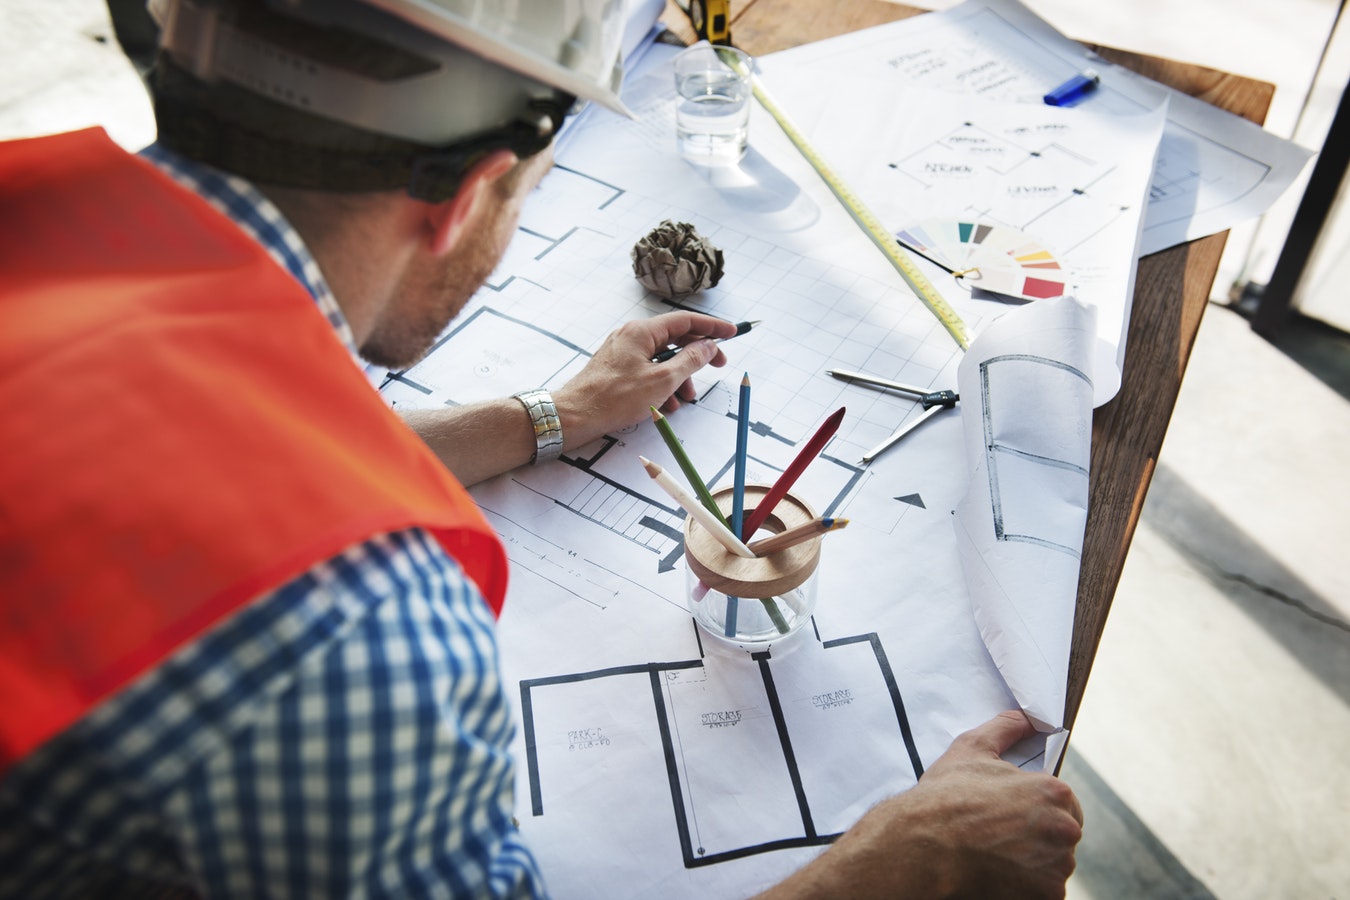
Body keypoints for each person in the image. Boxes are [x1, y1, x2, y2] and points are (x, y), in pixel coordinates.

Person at [0, 0, 1082, 896]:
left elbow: (203, 440)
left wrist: (552, 415)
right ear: (467, 194)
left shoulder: (37, 240)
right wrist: (897, 867)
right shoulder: (359, 627)